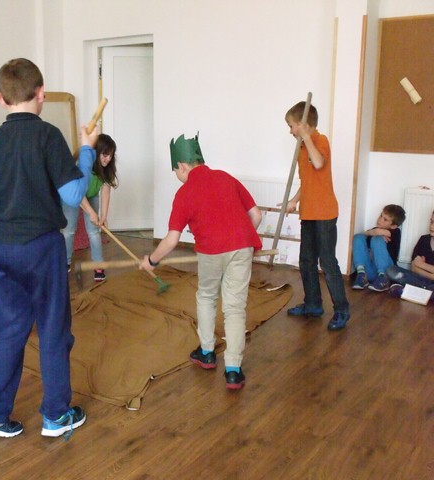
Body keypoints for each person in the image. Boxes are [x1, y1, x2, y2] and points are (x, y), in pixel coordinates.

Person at [0, 58, 98, 439]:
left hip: (2, 248)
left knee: (10, 331)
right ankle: (56, 415)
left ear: (1, 99)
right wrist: (86, 151)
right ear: (41, 94)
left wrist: (1, 229)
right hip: (41, 248)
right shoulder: (48, 136)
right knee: (53, 330)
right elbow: (74, 194)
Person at [140, 133, 262, 390]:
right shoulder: (226, 178)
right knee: (235, 308)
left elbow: (171, 240)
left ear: (182, 165)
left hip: (211, 251)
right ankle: (233, 370)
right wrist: (241, 243)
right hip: (243, 246)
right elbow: (256, 215)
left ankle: (207, 352)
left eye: (176, 171)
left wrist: (151, 260)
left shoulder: (184, 193)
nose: (177, 175)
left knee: (207, 297)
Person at [283, 101, 350, 331]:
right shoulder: (302, 148)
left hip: (325, 213)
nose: (290, 131)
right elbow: (307, 181)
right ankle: (313, 304)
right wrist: (294, 200)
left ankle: (342, 310)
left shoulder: (320, 141)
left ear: (303, 124)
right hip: (309, 213)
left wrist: (306, 136)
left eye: (291, 125)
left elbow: (319, 163)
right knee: (306, 260)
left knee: (327, 263)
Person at [62, 133, 118, 280]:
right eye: (104, 155)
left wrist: (103, 216)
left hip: (91, 195)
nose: (108, 159)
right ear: (96, 152)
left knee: (94, 231)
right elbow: (78, 195)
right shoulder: (83, 164)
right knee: (68, 231)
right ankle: (65, 262)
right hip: (74, 195)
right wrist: (91, 212)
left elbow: (105, 191)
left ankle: (98, 265)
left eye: (111, 155)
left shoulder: (107, 169)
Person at [351, 204, 406, 292]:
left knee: (377, 239)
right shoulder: (375, 230)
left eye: (385, 219)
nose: (380, 219)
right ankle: (361, 274)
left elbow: (377, 232)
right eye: (381, 216)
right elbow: (367, 233)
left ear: (393, 226)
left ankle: (383, 278)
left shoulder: (396, 232)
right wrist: (371, 233)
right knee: (358, 237)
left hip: (388, 271)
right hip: (371, 271)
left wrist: (375, 233)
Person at [387, 209, 434, 302]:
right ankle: (424, 293)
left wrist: (421, 265)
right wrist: (430, 273)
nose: (432, 226)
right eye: (431, 222)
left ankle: (408, 291)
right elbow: (413, 267)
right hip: (420, 279)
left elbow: (417, 266)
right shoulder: (423, 239)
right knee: (391, 270)